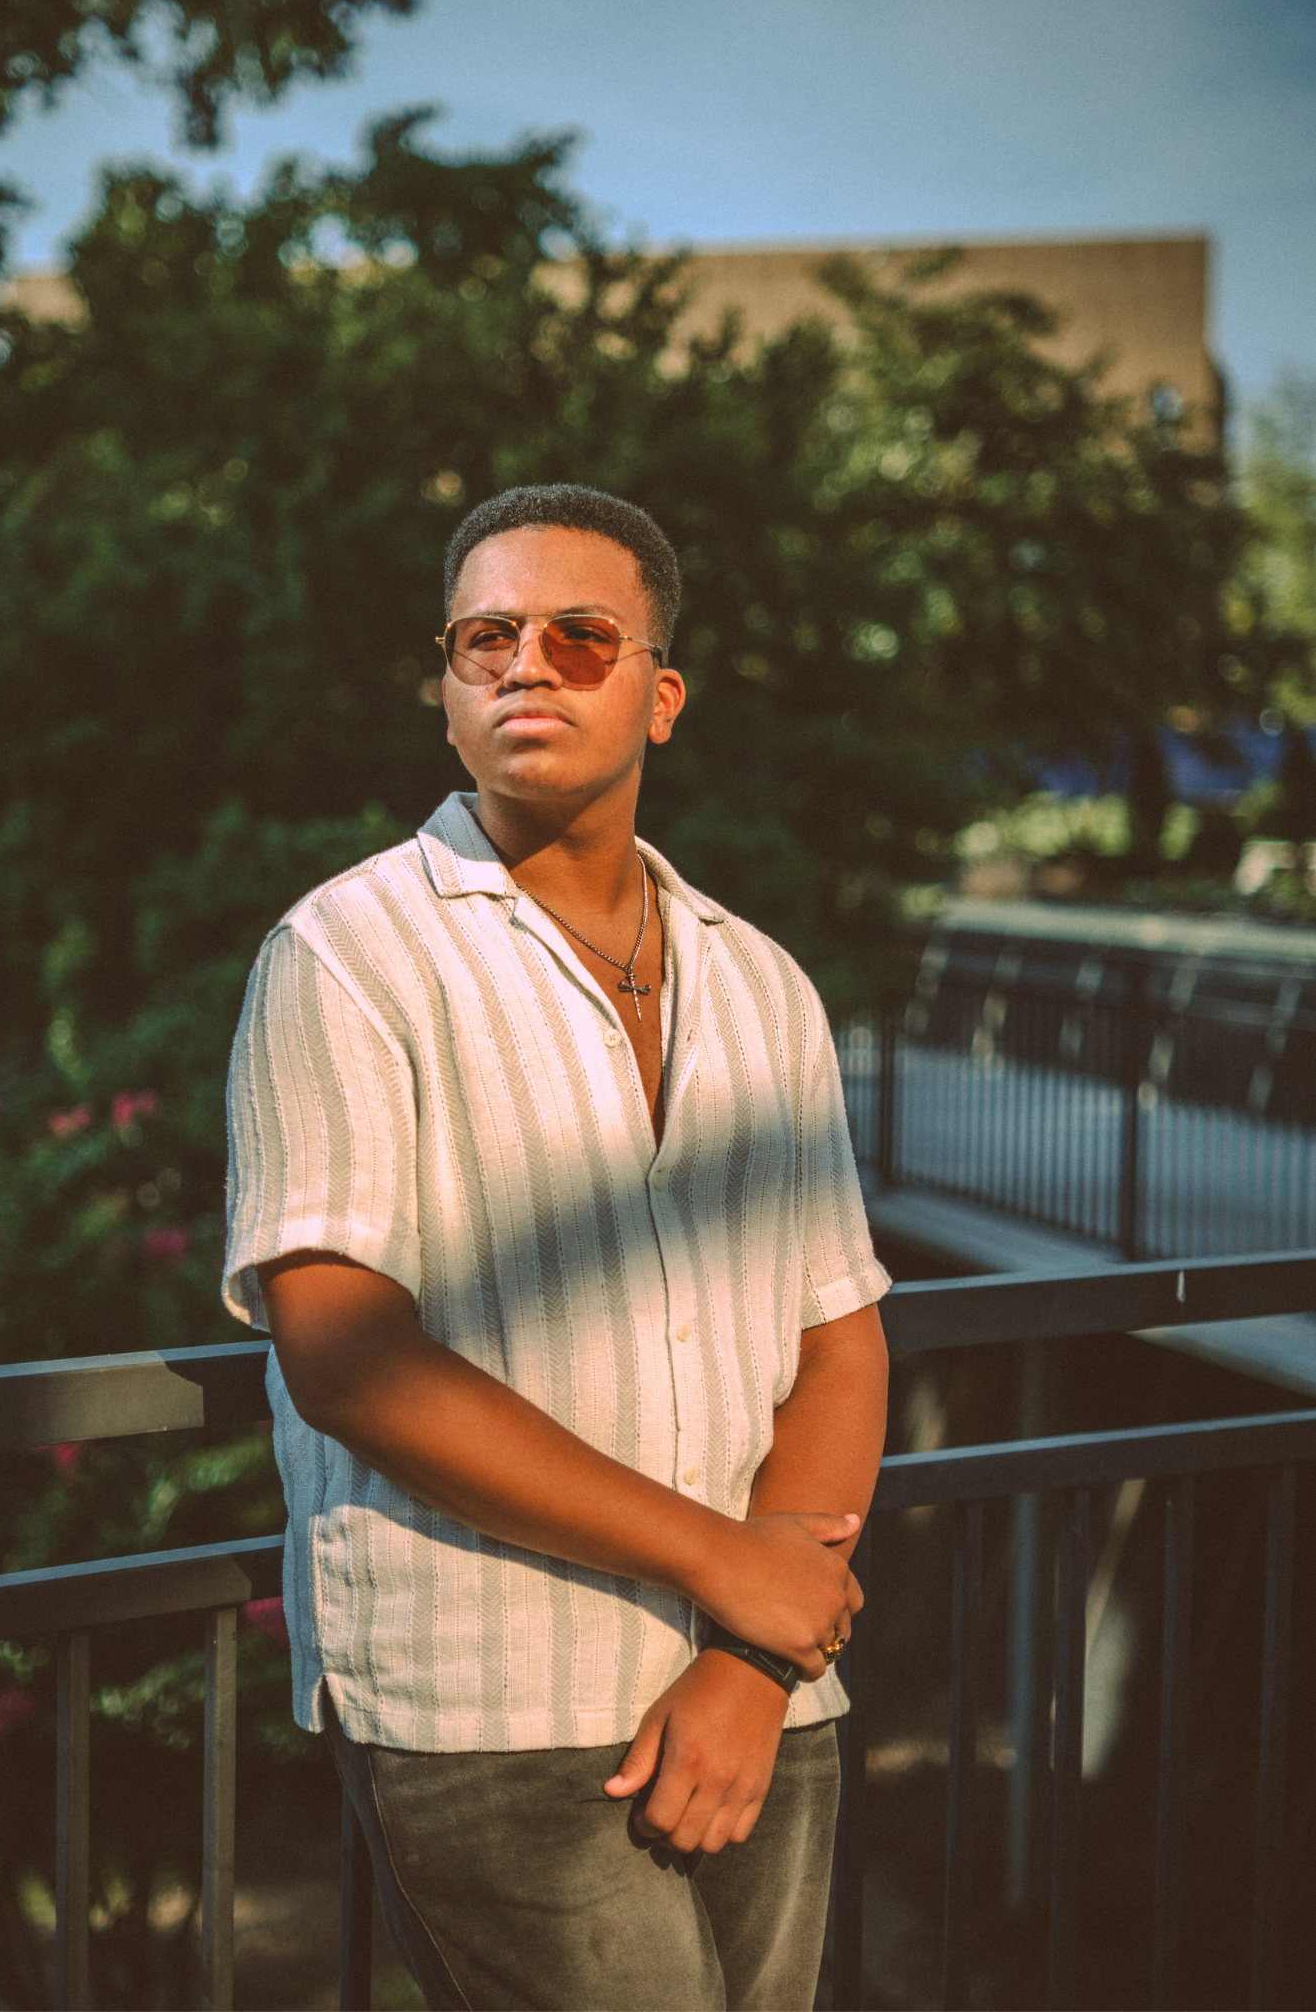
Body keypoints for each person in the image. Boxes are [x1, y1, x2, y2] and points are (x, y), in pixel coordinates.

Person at [223, 483, 890, 2012]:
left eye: (581, 636)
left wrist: (753, 1657)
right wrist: (726, 1564)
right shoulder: (344, 955)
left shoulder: (761, 982)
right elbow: (346, 1357)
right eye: (487, 638)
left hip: (764, 1703)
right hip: (494, 1708)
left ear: (661, 696)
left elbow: (839, 1338)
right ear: (448, 690)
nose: (527, 662)